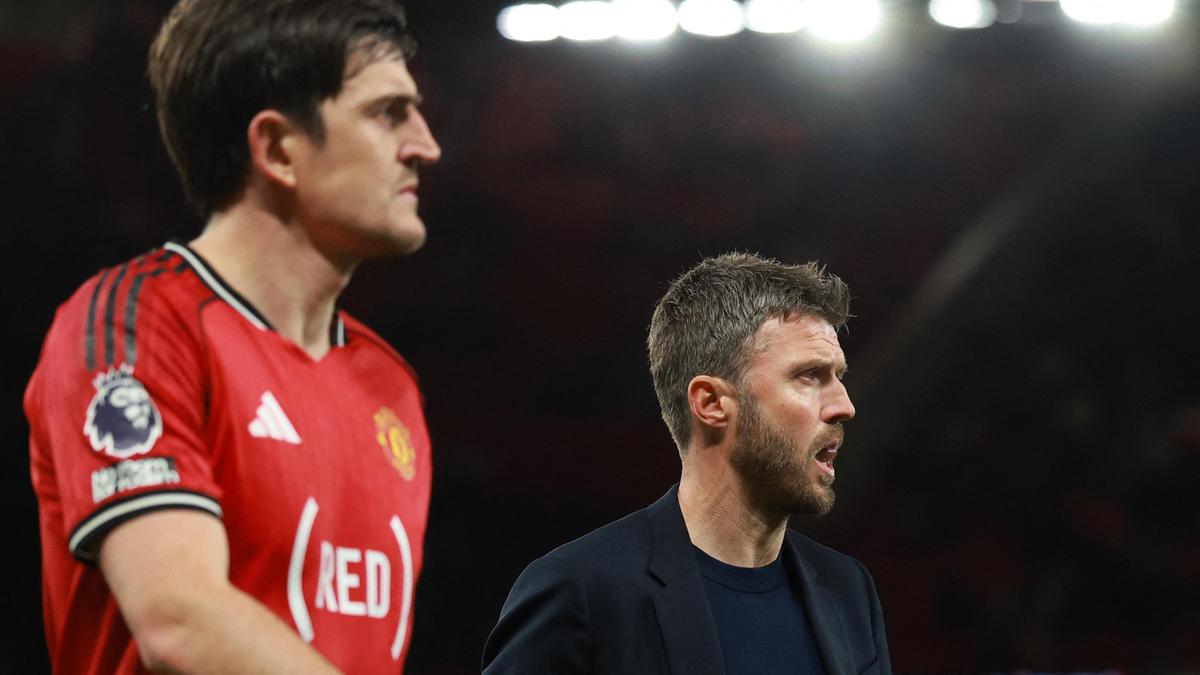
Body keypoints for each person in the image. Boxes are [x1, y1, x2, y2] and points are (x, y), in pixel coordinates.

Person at [24, 0, 441, 672]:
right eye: (387, 113)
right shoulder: (135, 324)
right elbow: (180, 620)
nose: (426, 145)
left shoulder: (391, 384)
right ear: (277, 148)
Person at [483, 252, 892, 675]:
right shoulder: (581, 593)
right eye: (809, 375)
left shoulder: (848, 590)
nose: (845, 405)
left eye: (838, 376)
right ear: (711, 403)